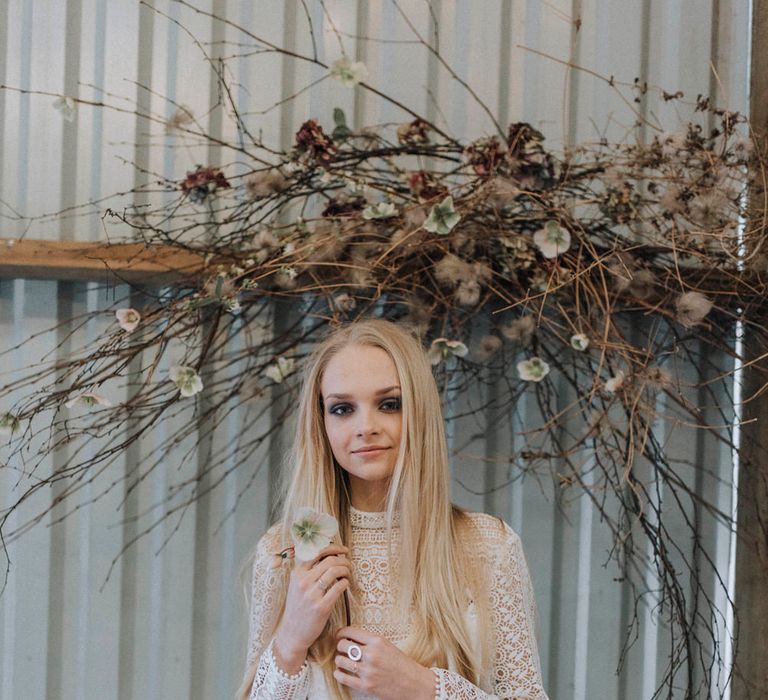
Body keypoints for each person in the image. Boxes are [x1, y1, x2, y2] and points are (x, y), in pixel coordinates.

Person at [238, 319, 548, 700]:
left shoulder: (487, 546)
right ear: (321, 423)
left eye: (389, 404)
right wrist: (289, 641)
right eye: (342, 409)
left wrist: (425, 689)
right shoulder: (282, 554)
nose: (365, 426)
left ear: (418, 412)